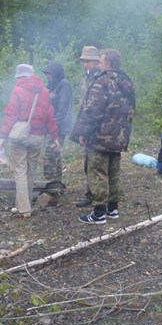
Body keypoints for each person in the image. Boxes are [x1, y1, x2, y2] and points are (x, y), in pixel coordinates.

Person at [71, 49, 136, 224]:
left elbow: (93, 111)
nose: (99, 64)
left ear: (107, 63)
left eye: (100, 61)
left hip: (100, 137)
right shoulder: (127, 82)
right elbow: (130, 111)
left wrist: (82, 133)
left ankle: (99, 213)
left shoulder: (102, 82)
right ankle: (112, 209)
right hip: (119, 136)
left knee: (97, 172)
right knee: (113, 172)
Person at [0, 64, 60, 218]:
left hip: (19, 136)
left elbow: (10, 116)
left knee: (20, 171)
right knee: (31, 171)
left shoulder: (17, 91)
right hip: (37, 137)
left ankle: (24, 209)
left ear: (20, 77)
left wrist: (3, 137)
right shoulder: (44, 92)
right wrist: (55, 137)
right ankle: (22, 205)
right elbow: (49, 117)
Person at [75, 46, 102, 208]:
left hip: (98, 127)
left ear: (97, 61)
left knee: (97, 164)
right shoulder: (85, 78)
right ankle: (90, 193)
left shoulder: (102, 77)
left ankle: (100, 196)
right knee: (88, 163)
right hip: (86, 124)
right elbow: (82, 104)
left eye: (88, 61)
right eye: (84, 61)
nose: (85, 64)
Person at [42, 61, 73, 182]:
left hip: (58, 127)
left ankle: (51, 184)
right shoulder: (52, 85)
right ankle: (55, 184)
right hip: (51, 126)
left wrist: (54, 129)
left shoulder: (64, 84)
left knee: (51, 155)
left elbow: (62, 109)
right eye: (47, 74)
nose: (48, 76)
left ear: (56, 73)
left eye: (50, 74)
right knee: (54, 155)